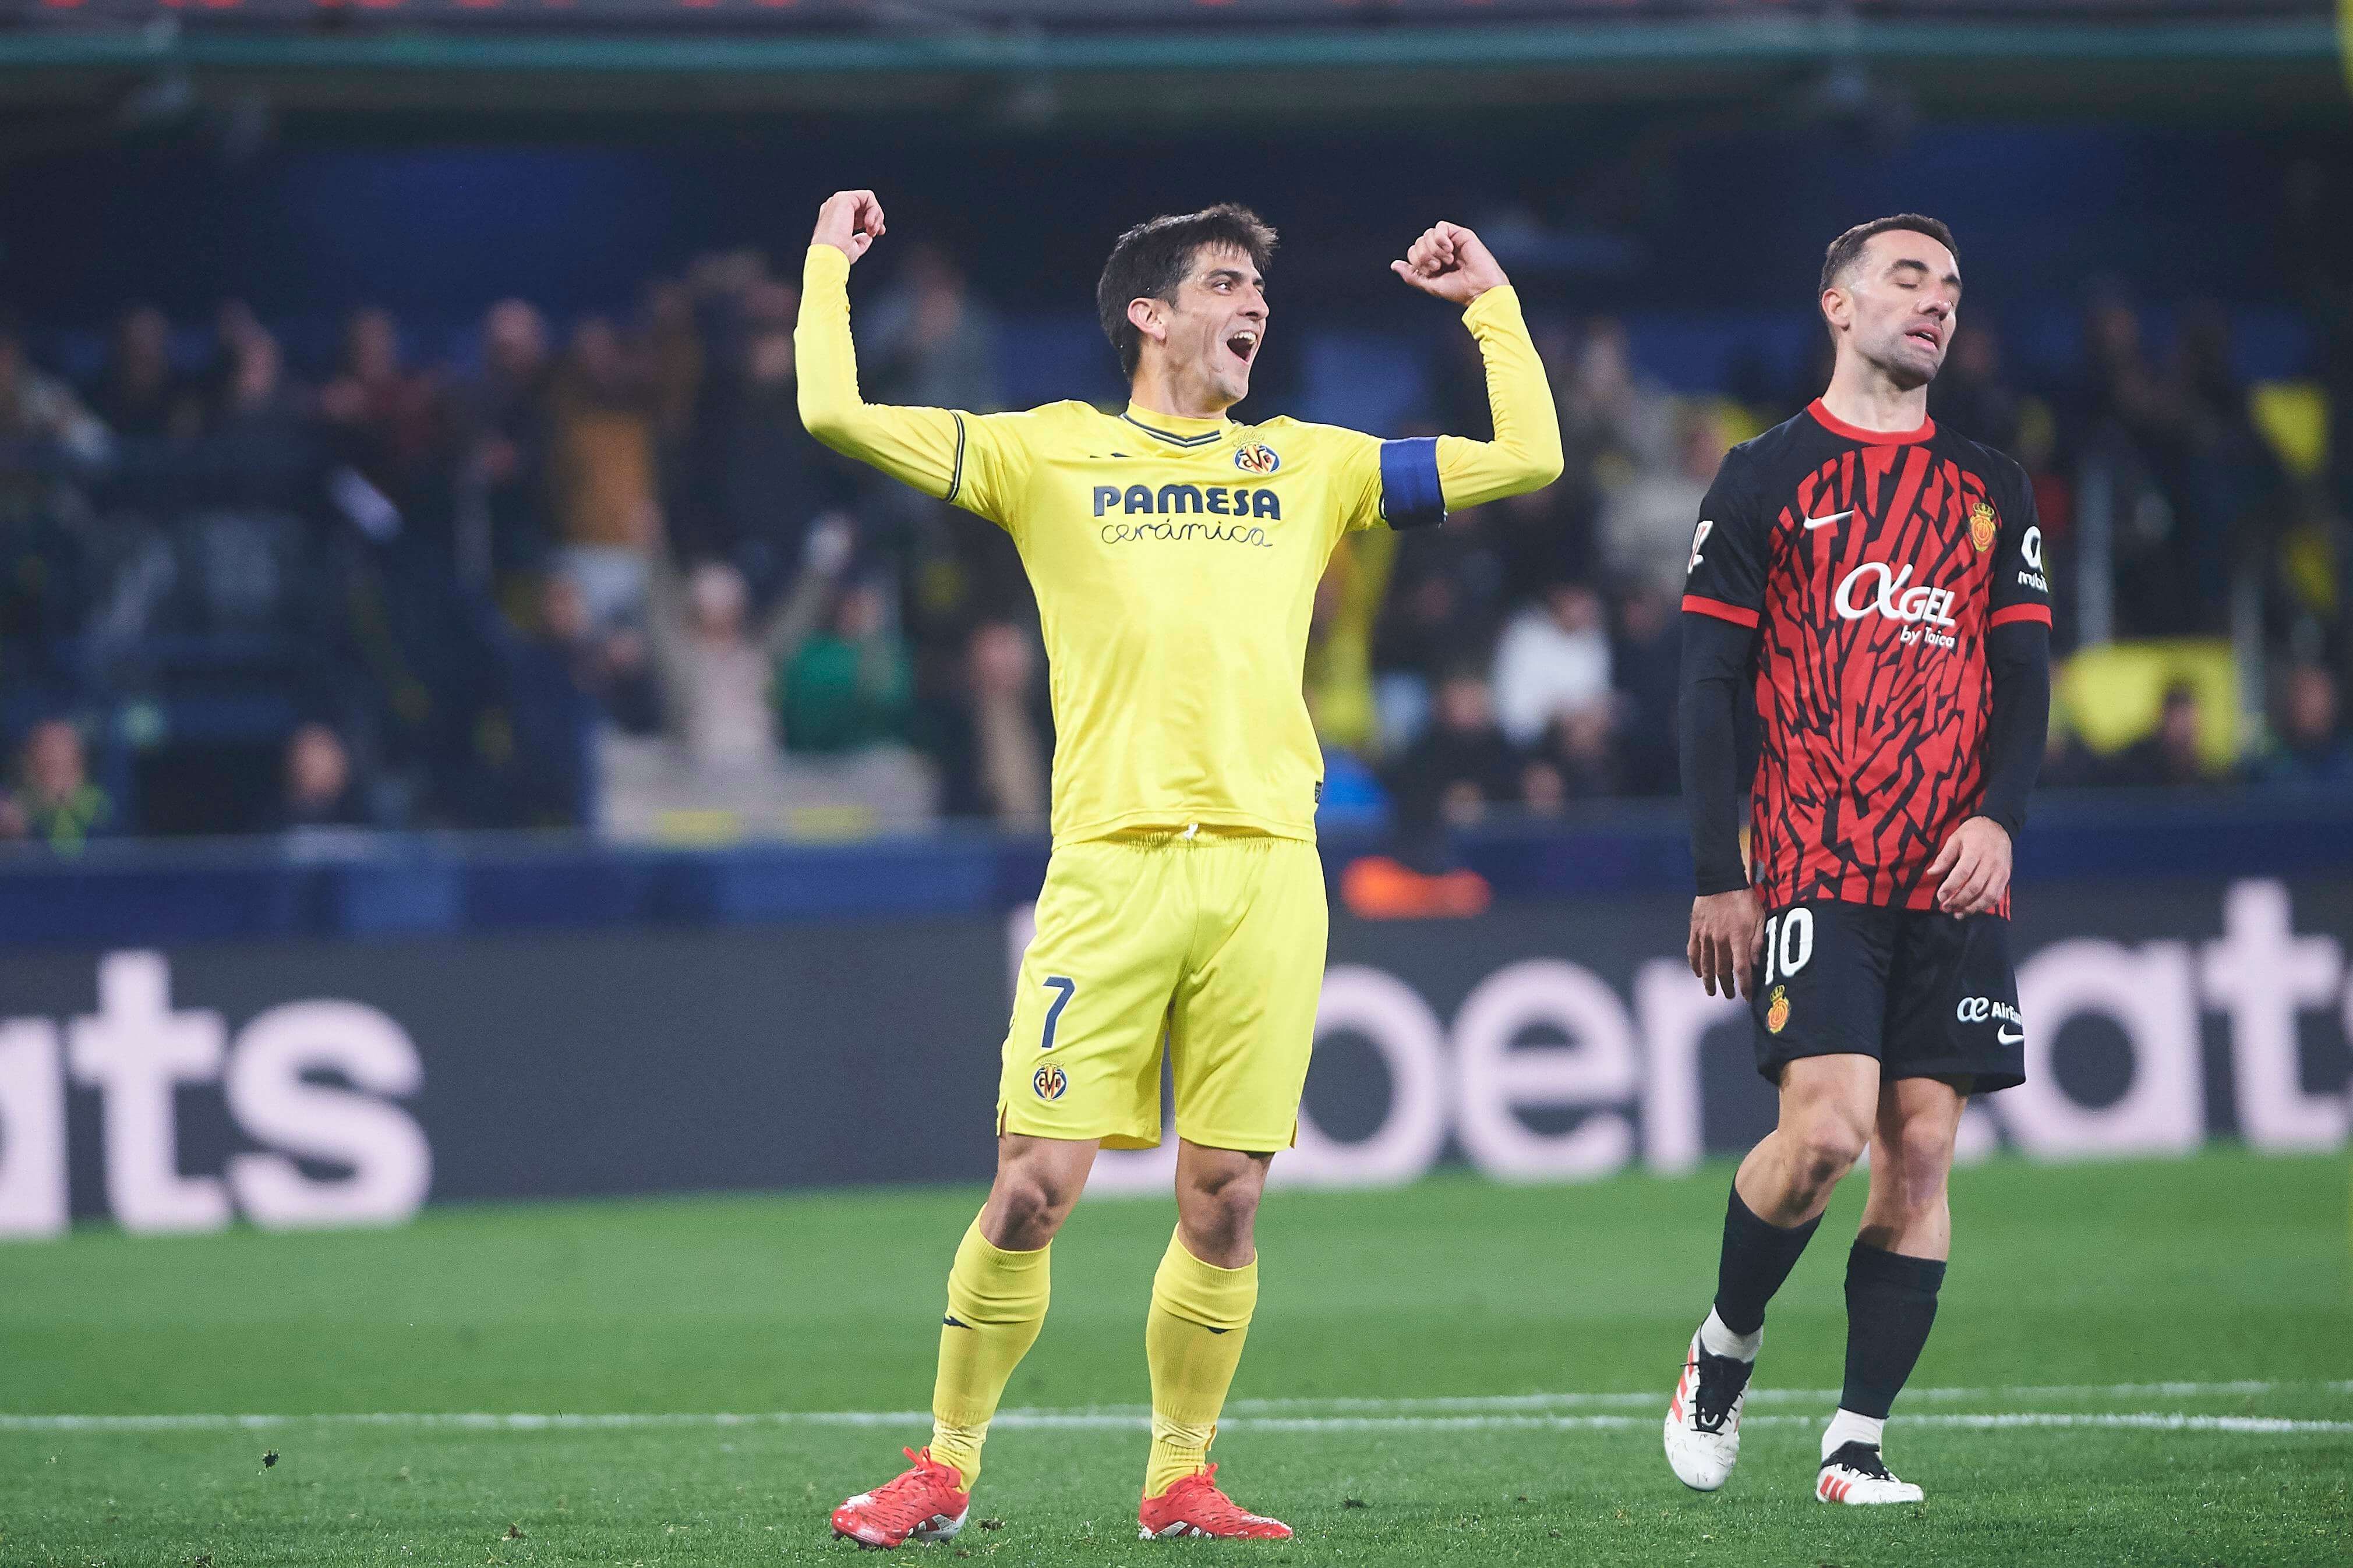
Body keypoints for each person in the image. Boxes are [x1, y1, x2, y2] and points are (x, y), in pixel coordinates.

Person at [798, 190, 1559, 1547]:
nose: (1252, 304)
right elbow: (834, 414)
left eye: (1257, 289)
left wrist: (1491, 308)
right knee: (1031, 1188)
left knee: (1227, 1199)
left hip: (1268, 871)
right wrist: (824, 271)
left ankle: (1180, 1480)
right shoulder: (1046, 451)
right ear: (1148, 315)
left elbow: (1529, 458)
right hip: (1111, 869)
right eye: (1223, 284)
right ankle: (944, 1467)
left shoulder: (1310, 465)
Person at [1667, 215, 2051, 1506]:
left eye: (1952, 286)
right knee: (1825, 1135)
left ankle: (1855, 1443)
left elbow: (2024, 676)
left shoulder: (1992, 486)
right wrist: (1718, 872)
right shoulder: (1764, 476)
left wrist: (1999, 817)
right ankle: (1725, 1345)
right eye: (1908, 278)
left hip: (1954, 868)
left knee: (1921, 1150)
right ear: (1837, 304)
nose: (1937, 301)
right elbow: (1707, 684)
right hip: (1815, 858)